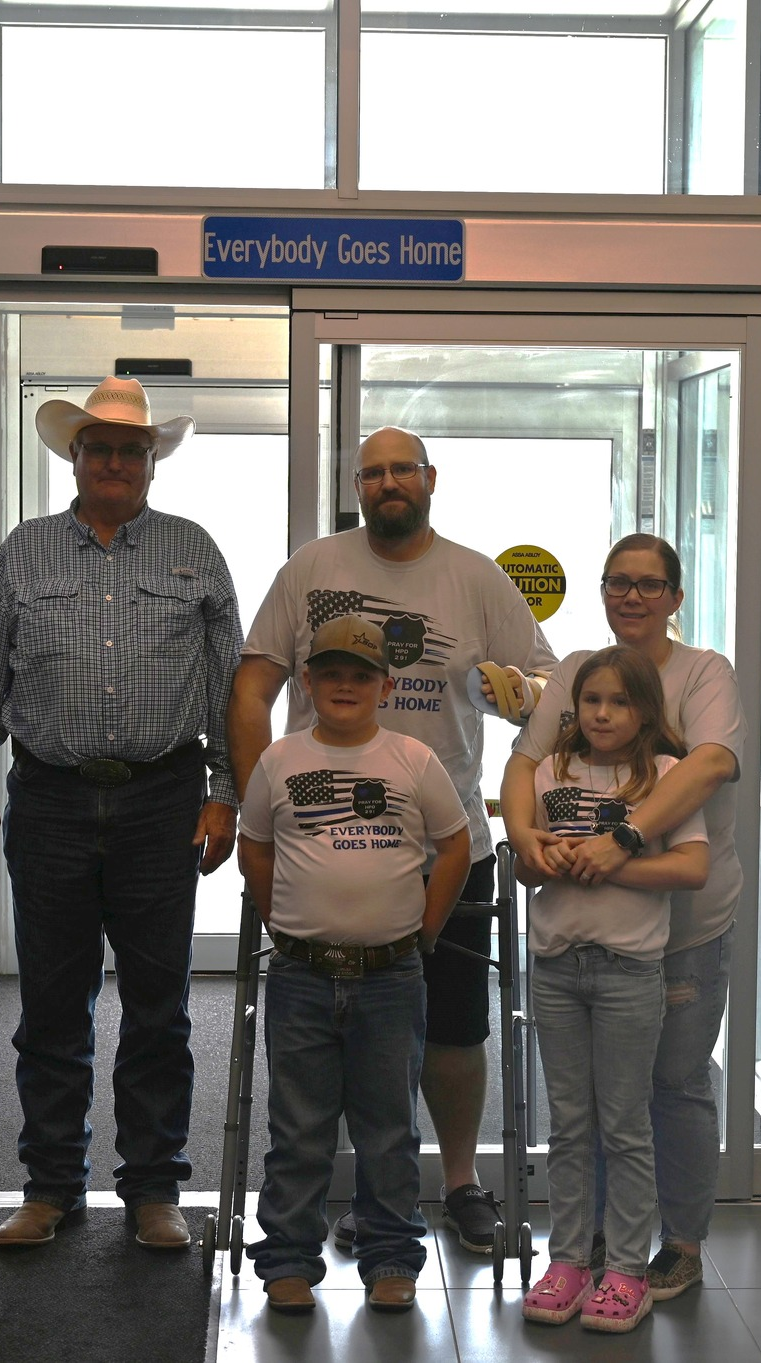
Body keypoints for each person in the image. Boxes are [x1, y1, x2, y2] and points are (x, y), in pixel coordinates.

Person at [229, 427, 555, 1255]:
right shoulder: (313, 568)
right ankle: (365, 1197)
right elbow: (254, 682)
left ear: (430, 478)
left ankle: (458, 1181)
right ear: (358, 486)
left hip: (451, 848)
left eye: (399, 469)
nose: (386, 483)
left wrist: (523, 693)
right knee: (330, 1036)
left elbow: (547, 691)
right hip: (322, 846)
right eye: (370, 473)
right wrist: (254, 798)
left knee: (453, 1030)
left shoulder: (475, 577)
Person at [0, 377, 241, 1251]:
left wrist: (224, 793)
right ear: (74, 457)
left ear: (152, 461)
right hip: (52, 800)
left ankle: (153, 1190)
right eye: (99, 446)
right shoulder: (24, 554)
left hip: (162, 801)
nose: (115, 460)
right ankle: (50, 1185)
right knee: (53, 1007)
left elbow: (229, 690)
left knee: (159, 1008)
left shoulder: (193, 550)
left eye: (131, 448)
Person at [501, 533, 744, 1301]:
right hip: (579, 934)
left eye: (648, 584)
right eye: (617, 582)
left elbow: (709, 764)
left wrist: (621, 842)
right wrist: (525, 838)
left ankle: (678, 1242)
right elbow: (522, 763)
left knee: (670, 1085)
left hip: (685, 928)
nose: (631, 596)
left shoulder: (706, 673)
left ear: (675, 595)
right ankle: (597, 1240)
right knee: (591, 1101)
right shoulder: (577, 671)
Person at [237, 615, 472, 1315]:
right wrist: (282, 918)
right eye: (330, 672)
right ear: (306, 682)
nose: (345, 684)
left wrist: (424, 928)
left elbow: (454, 845)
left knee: (389, 1128)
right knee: (299, 1126)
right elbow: (255, 847)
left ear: (385, 684)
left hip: (391, 979)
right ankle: (286, 1257)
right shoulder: (280, 760)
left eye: (361, 674)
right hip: (302, 977)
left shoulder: (411, 759)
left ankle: (392, 1255)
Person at [514, 647, 709, 1333]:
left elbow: (691, 867)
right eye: (591, 700)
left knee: (624, 1125)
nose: (602, 712)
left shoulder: (667, 775)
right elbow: (528, 869)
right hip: (559, 968)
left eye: (619, 701)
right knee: (569, 1124)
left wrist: (611, 864)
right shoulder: (547, 770)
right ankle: (568, 1258)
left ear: (645, 711)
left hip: (629, 971)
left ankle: (627, 1269)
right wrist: (544, 857)